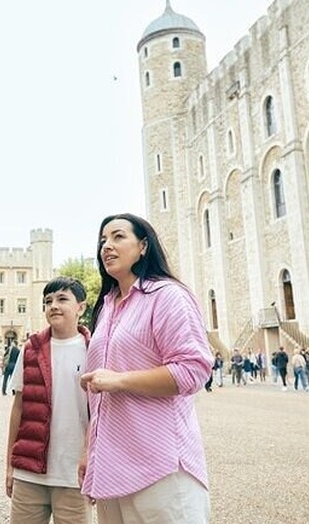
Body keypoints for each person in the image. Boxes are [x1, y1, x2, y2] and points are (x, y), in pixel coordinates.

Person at [79, 213, 213, 524]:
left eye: (117, 237)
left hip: (161, 466)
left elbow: (193, 369)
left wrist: (120, 380)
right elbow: (98, 395)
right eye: (102, 241)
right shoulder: (108, 305)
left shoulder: (167, 296)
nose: (107, 246)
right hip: (112, 469)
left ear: (143, 246)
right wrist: (90, 452)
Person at [5, 276, 92, 524]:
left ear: (81, 307)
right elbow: (18, 409)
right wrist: (10, 466)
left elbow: (102, 414)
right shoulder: (29, 349)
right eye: (48, 301)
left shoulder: (94, 349)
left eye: (62, 299)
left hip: (74, 474)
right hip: (29, 473)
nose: (53, 305)